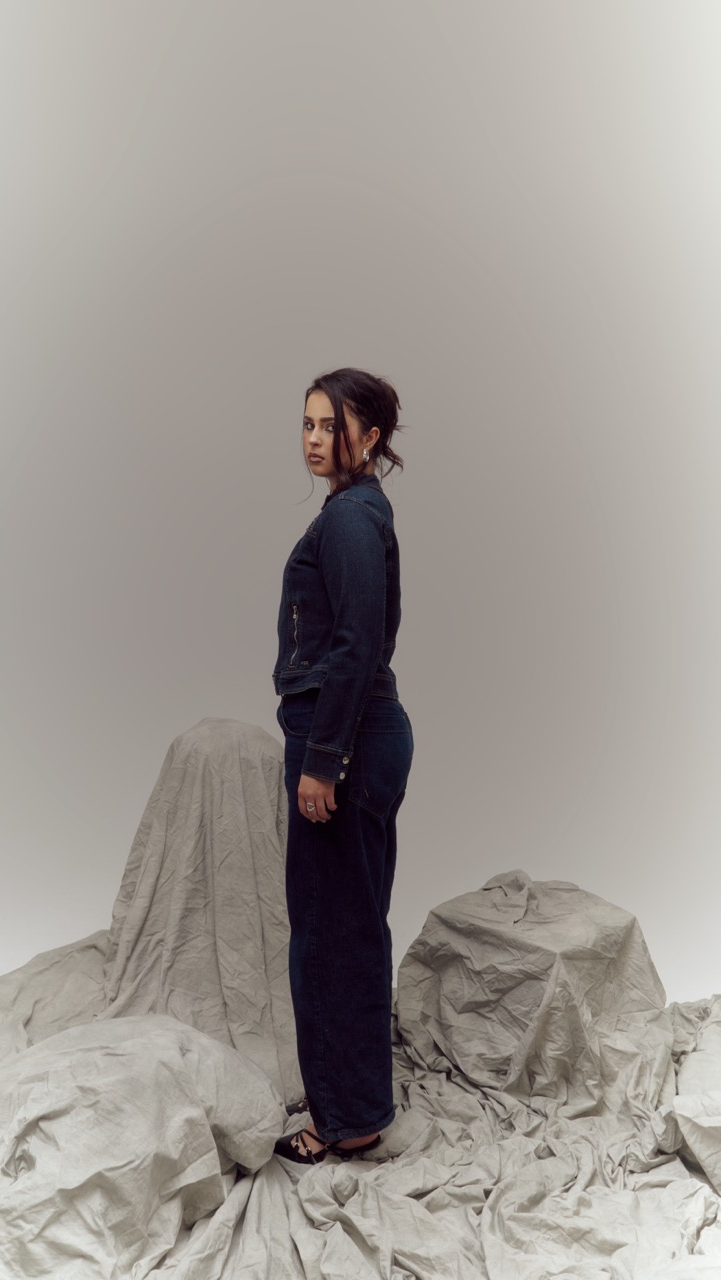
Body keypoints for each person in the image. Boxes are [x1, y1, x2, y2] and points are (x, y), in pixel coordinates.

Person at [271, 367, 414, 1164]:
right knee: (348, 925)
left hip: (345, 740)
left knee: (330, 934)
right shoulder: (356, 511)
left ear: (372, 437)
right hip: (358, 733)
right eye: (308, 424)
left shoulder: (352, 519)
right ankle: (351, 1099)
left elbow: (357, 646)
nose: (316, 439)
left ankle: (344, 1120)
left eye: (333, 425)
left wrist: (323, 761)